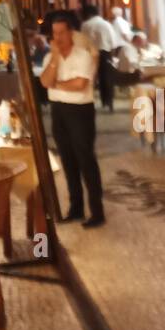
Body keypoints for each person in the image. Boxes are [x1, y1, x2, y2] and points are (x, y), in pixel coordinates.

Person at [40, 17, 105, 228]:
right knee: (67, 160)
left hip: (80, 111)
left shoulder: (83, 56)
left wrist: (57, 83)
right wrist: (56, 59)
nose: (57, 37)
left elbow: (79, 85)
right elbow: (44, 82)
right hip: (58, 111)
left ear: (71, 33)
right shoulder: (50, 57)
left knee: (86, 160)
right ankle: (75, 208)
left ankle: (97, 211)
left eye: (61, 32)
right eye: (54, 33)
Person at [80, 4, 118, 113]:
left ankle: (89, 102)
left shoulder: (86, 25)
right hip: (105, 53)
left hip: (90, 54)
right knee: (106, 78)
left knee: (90, 78)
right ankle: (108, 102)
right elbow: (113, 41)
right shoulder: (106, 24)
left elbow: (83, 42)